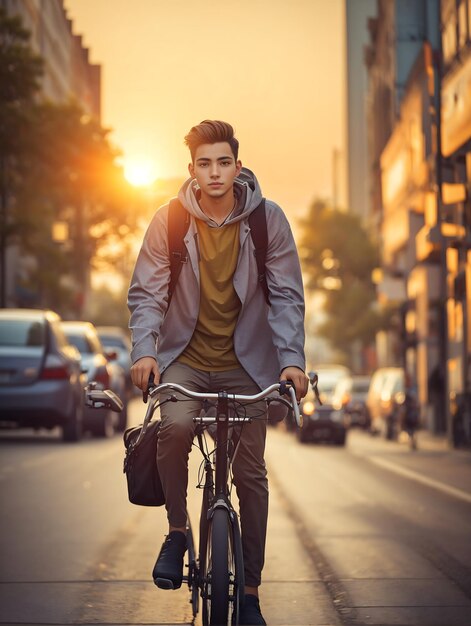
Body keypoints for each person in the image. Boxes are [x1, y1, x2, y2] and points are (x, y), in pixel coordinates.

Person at [128, 120, 308, 625]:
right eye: (204, 163)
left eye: (223, 162)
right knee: (176, 427)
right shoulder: (169, 221)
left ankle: (249, 591)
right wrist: (145, 351)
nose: (214, 172)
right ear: (192, 170)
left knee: (251, 475)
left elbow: (288, 296)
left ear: (237, 165)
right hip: (185, 356)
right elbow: (147, 293)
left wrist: (291, 360)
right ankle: (178, 532)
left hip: (248, 364)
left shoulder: (267, 221)